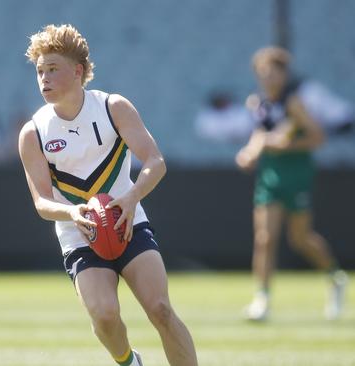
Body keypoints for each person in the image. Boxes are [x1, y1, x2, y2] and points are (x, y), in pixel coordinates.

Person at [19, 24, 198, 366]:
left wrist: (131, 199)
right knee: (104, 316)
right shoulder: (33, 132)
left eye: (53, 69)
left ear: (78, 70)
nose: (44, 78)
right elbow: (42, 202)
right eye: (40, 71)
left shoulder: (112, 107)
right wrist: (73, 214)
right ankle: (130, 361)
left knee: (160, 309)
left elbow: (155, 162)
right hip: (80, 234)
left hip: (129, 221)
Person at [235, 46, 348, 321]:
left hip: (296, 173)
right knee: (265, 238)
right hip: (270, 176)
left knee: (300, 239)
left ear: (284, 74)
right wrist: (248, 154)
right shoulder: (257, 103)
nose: (268, 79)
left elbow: (317, 138)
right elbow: (260, 135)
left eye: (273, 73)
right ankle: (262, 299)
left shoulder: (294, 103)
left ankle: (335, 277)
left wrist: (286, 145)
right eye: (263, 74)